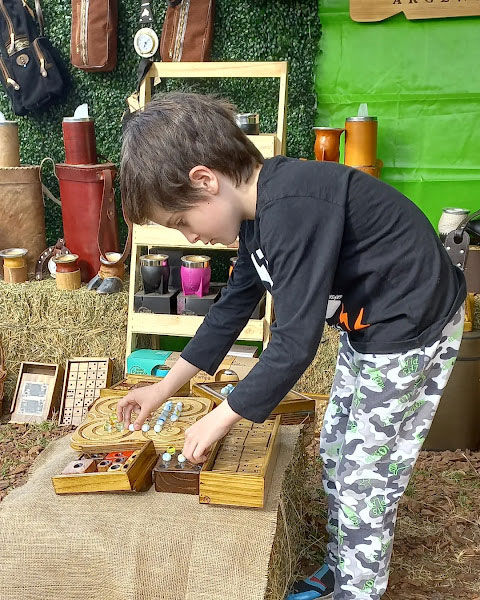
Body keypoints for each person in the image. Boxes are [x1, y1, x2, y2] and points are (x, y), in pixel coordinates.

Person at [117, 92, 466, 600]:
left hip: (410, 326)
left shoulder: (292, 207)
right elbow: (233, 308)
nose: (189, 238)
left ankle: (358, 590)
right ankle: (344, 566)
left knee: (364, 476)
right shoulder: (255, 220)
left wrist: (220, 418)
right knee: (336, 450)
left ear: (205, 180)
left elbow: (295, 342)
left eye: (181, 223)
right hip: (370, 326)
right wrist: (162, 388)